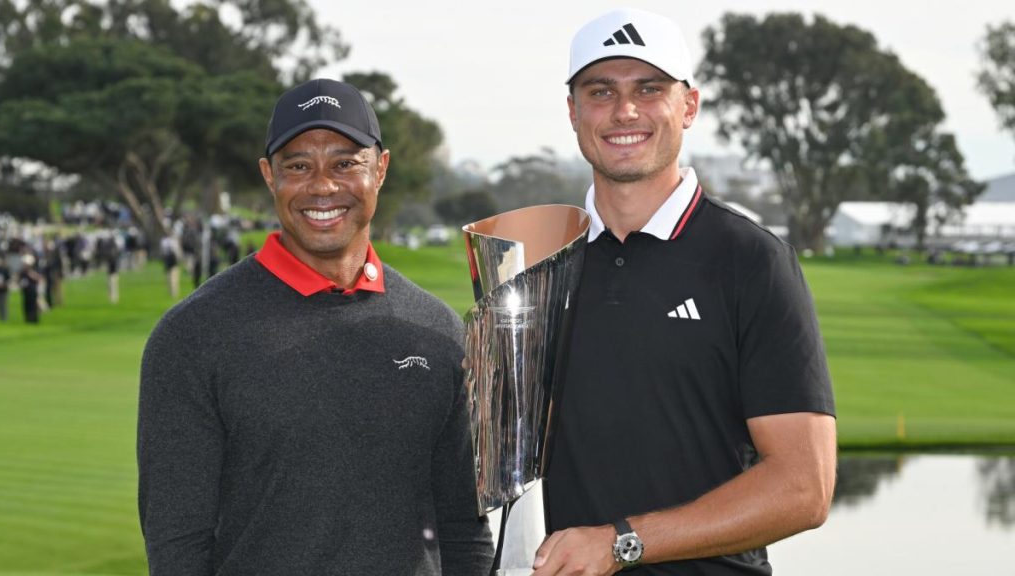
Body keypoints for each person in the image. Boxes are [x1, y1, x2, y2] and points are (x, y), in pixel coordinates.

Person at [138, 78, 493, 575]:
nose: (323, 186)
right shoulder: (192, 336)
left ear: (381, 168)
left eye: (346, 163)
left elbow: (464, 527)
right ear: (269, 176)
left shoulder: (435, 329)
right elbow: (177, 544)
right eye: (298, 166)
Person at [533, 9, 837, 576]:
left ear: (688, 106)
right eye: (601, 91)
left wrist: (621, 542)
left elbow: (804, 487)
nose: (625, 111)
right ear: (573, 112)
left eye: (649, 89)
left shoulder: (752, 261)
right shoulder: (538, 263)